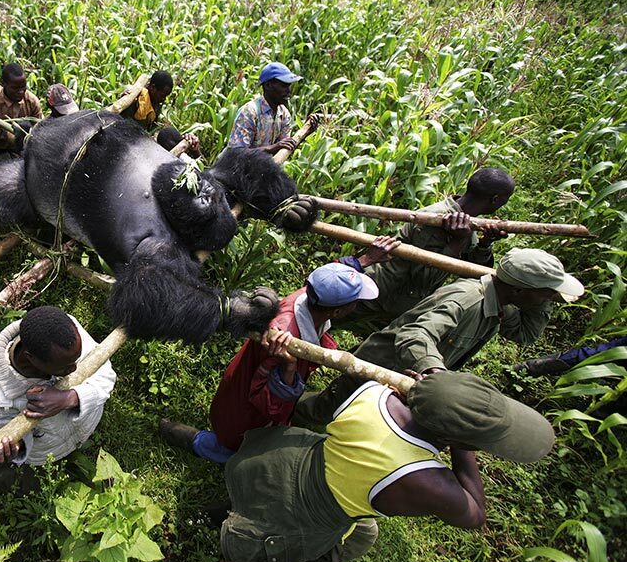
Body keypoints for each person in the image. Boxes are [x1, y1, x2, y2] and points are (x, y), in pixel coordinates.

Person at [220, 370, 555, 562]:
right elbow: (475, 514)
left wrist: (436, 401)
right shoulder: (422, 478)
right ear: (452, 439)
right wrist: (463, 445)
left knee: (366, 530)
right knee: (362, 534)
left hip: (282, 458)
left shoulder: (374, 392)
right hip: (301, 513)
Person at [160, 241, 395, 463]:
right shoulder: (284, 339)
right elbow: (267, 403)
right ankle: (192, 440)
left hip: (239, 385)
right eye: (355, 301)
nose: (357, 305)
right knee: (237, 447)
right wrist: (289, 367)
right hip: (246, 409)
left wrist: (363, 261)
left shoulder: (306, 298)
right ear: (337, 312)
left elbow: (328, 278)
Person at [295, 248, 584, 424]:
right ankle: (274, 418)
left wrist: (545, 296)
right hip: (382, 365)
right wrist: (435, 372)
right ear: (519, 290)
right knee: (325, 408)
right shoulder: (466, 299)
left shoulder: (501, 304)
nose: (548, 299)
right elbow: (416, 333)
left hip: (405, 377)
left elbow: (525, 333)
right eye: (544, 293)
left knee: (354, 414)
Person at [352, 168, 515, 327]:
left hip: (396, 304)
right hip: (375, 295)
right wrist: (457, 242)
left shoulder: (466, 222)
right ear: (495, 199)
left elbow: (473, 274)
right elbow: (424, 278)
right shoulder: (436, 220)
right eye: (506, 199)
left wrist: (485, 243)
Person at [0, 306, 116, 488]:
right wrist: (16, 448)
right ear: (30, 358)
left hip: (84, 425)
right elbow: (12, 437)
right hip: (48, 453)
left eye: (76, 359)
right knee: (18, 484)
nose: (74, 369)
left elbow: (106, 373)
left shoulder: (65, 332)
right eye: (64, 367)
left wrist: (70, 398)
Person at [229, 61, 302, 154]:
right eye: (283, 86)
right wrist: (272, 148)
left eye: (289, 86)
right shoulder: (250, 112)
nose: (288, 91)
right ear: (268, 85)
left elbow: (285, 147)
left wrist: (308, 130)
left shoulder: (283, 114)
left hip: (264, 167)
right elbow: (236, 153)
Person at [0, 63, 42, 151]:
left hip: (25, 148)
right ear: (3, 84)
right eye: (15, 88)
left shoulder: (32, 101)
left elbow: (40, 131)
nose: (21, 92)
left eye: (23, 87)